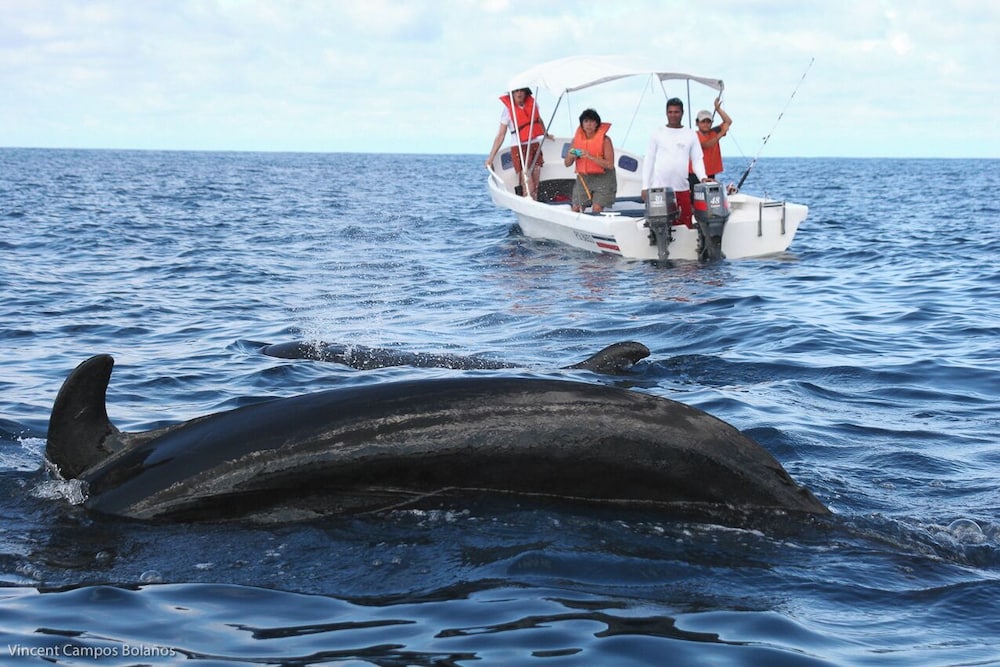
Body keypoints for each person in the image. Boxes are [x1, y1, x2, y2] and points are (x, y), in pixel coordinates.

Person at [642, 97, 708, 227]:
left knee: (685, 226)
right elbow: (649, 160)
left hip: (682, 189)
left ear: (682, 113)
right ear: (666, 113)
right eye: (670, 112)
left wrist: (703, 177)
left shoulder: (690, 134)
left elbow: (697, 159)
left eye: (676, 112)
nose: (673, 115)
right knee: (660, 228)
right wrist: (645, 187)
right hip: (659, 190)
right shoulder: (657, 133)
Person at [485, 88, 551, 200]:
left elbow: (538, 120)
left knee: (536, 184)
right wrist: (490, 158)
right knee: (528, 185)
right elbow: (501, 135)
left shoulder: (533, 104)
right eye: (516, 91)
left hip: (534, 145)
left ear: (526, 92)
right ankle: (527, 201)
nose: (519, 93)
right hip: (519, 147)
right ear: (512, 94)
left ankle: (534, 204)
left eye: (521, 91)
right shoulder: (507, 110)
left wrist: (546, 134)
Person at [563, 108, 616, 213]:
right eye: (586, 121)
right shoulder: (575, 141)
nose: (589, 124)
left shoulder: (605, 140)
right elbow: (567, 164)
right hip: (584, 178)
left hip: (603, 178)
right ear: (582, 124)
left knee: (597, 208)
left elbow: (610, 164)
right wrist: (570, 155)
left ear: (597, 124)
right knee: (576, 208)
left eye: (592, 121)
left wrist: (590, 156)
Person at [688, 96, 732, 189]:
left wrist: (718, 109)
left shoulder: (714, 132)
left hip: (710, 172)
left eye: (708, 122)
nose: (706, 124)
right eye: (703, 121)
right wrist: (722, 133)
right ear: (697, 123)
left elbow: (728, 121)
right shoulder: (694, 135)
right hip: (695, 174)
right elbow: (707, 144)